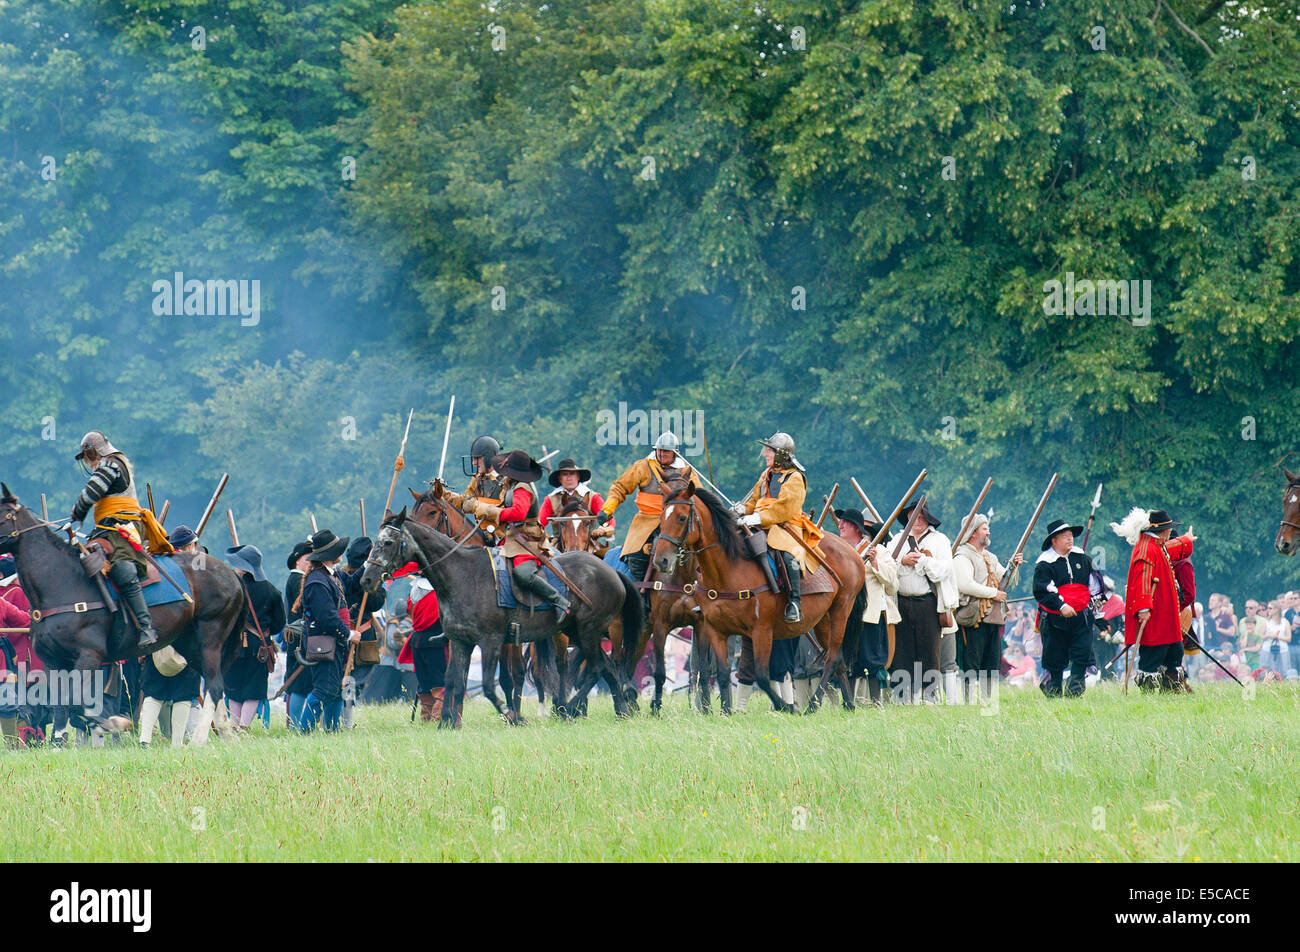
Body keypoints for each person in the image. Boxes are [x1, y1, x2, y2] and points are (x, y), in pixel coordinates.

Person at [68, 431, 174, 646]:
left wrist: (77, 511)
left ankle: (146, 627)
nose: (87, 462)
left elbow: (91, 493)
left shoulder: (111, 464)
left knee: (123, 570)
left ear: (93, 452)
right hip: (106, 529)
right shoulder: (109, 464)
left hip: (124, 527)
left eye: (87, 456)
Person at [459, 450, 571, 621]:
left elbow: (518, 513)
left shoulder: (522, 487)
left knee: (523, 574)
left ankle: (558, 600)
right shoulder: (510, 486)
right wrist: (475, 506)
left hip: (526, 540)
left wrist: (489, 511)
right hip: (511, 539)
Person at [596, 432, 700, 600]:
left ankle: (698, 599)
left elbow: (699, 495)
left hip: (677, 521)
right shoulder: (643, 466)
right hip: (646, 521)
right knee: (636, 558)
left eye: (666, 451)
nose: (661, 454)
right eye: (659, 450)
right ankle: (640, 600)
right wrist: (607, 509)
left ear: (675, 453)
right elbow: (620, 487)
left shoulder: (686, 471)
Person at [735, 432, 822, 624]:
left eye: (769, 451)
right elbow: (755, 501)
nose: (765, 454)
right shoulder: (766, 475)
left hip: (785, 526)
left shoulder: (796, 478)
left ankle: (794, 603)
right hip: (760, 522)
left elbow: (783, 509)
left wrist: (757, 518)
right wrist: (742, 509)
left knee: (788, 557)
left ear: (781, 454)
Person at [1111, 508, 1196, 693]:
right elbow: (1142, 580)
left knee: (1174, 653)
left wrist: (1187, 540)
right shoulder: (1146, 550)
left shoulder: (1154, 545)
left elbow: (1170, 548)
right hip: (1155, 616)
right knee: (1153, 656)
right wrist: (1142, 608)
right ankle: (1149, 694)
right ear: (1162, 530)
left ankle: (1172, 689)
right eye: (1168, 529)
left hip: (1165, 617)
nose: (1169, 533)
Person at [294, 530, 361, 731]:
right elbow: (327, 617)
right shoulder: (317, 581)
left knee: (335, 691)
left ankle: (333, 732)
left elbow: (353, 583)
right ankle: (304, 733)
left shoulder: (334, 575)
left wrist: (369, 564)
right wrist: (349, 634)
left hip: (334, 642)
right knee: (323, 691)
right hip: (324, 642)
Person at [954, 513, 1022, 702]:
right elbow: (965, 584)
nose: (988, 532)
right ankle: (967, 704)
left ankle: (989, 706)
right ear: (973, 532)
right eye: (984, 528)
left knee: (991, 664)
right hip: (973, 617)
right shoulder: (962, 555)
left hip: (992, 617)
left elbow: (1003, 580)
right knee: (971, 664)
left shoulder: (989, 557)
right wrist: (993, 594)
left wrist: (1013, 566)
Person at [890, 500, 952, 703]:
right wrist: (902, 561)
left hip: (927, 603)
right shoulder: (897, 539)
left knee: (929, 650)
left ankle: (930, 696)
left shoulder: (940, 540)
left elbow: (944, 570)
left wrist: (923, 561)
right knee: (902, 652)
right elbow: (887, 566)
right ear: (907, 517)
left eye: (920, 516)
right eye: (913, 515)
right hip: (901, 602)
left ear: (927, 518)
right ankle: (902, 697)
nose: (916, 520)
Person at [1032, 519, 1102, 697]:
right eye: (1065, 537)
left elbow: (1094, 583)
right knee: (1055, 656)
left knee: (1081, 652)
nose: (1070, 540)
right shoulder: (1045, 563)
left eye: (1071, 536)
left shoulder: (1082, 557)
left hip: (1081, 616)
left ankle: (1075, 691)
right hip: (1055, 618)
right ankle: (1054, 691)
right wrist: (1061, 605)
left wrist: (1096, 607)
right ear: (1054, 540)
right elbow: (1042, 589)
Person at [835, 508, 896, 706]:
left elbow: (892, 584)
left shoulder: (879, 550)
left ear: (856, 528)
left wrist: (875, 562)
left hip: (870, 614)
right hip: (845, 614)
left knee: (873, 661)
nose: (840, 525)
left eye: (845, 522)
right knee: (848, 661)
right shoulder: (837, 550)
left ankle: (876, 704)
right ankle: (849, 704)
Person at [223, 545, 285, 730]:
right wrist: (265, 632)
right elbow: (279, 623)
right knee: (253, 689)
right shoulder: (271, 590)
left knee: (233, 688)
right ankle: (243, 727)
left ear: (242, 567)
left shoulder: (231, 587)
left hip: (233, 644)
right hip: (260, 645)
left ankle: (235, 726)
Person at [337, 537, 387, 728]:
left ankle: (346, 720)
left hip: (358, 636)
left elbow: (374, 603)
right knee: (351, 682)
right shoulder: (345, 579)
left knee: (352, 681)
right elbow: (376, 603)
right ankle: (345, 720)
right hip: (351, 635)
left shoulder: (344, 577)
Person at [397, 573, 448, 722]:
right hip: (437, 641)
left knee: (424, 683)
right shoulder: (441, 590)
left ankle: (427, 717)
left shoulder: (414, 590)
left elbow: (410, 611)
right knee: (439, 682)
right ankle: (435, 718)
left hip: (418, 641)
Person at [540, 459, 614, 552]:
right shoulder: (551, 499)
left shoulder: (592, 497)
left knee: (609, 561)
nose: (569, 477)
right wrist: (544, 536)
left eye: (572, 474)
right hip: (558, 548)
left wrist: (602, 530)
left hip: (589, 546)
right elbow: (539, 523)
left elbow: (609, 520)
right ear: (559, 478)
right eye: (565, 474)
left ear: (578, 476)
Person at [281, 539, 313, 729]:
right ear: (297, 561)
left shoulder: (300, 578)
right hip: (300, 635)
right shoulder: (297, 579)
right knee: (298, 683)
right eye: (308, 558)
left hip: (298, 634)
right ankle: (294, 724)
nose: (311, 561)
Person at [460, 435, 506, 545]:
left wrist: (476, 506)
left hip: (506, 538)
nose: (473, 463)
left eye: (477, 458)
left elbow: (506, 512)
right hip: (482, 534)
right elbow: (465, 500)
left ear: (488, 458)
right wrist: (444, 495)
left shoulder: (508, 480)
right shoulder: (478, 478)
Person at [1259, 600, 1292, 679]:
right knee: (1265, 671)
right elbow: (1261, 636)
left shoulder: (1285, 622)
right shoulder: (1266, 622)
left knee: (1283, 671)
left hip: (1282, 650)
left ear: (1277, 609)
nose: (1268, 610)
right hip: (1267, 649)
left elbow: (1289, 638)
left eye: (1270, 608)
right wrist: (1270, 636)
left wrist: (1278, 637)